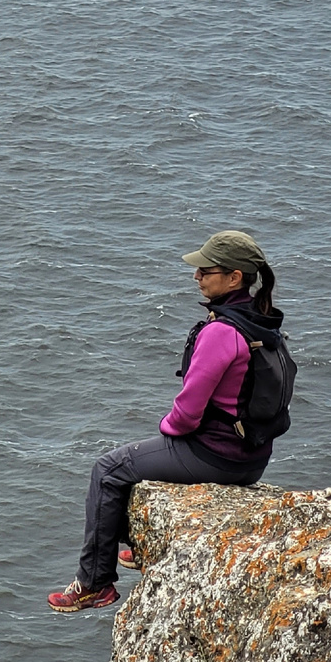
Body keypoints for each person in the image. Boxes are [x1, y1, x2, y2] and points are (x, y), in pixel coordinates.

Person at [47, 230, 285, 613]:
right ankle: (143, 543)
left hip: (214, 456)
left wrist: (168, 431)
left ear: (234, 277)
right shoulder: (261, 321)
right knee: (134, 466)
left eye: (205, 270)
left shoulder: (221, 332)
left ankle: (94, 583)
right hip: (252, 458)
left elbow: (188, 412)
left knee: (109, 469)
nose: (197, 276)